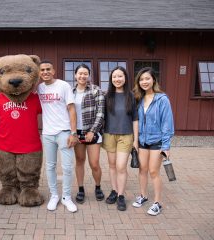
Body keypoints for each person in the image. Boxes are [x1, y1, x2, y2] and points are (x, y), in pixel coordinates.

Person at [37, 60, 79, 213]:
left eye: (48, 69)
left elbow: (71, 109)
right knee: (50, 166)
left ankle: (66, 197)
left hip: (64, 132)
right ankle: (54, 195)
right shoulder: (39, 88)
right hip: (47, 134)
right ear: (39, 72)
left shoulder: (63, 85)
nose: (45, 72)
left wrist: (73, 133)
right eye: (42, 70)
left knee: (67, 167)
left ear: (53, 71)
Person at [132, 67, 174, 216]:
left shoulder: (162, 99)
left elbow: (167, 124)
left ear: (153, 80)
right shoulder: (138, 98)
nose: (144, 81)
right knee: (142, 170)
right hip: (142, 141)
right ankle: (143, 195)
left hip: (157, 141)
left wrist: (166, 145)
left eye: (147, 78)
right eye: (141, 79)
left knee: (154, 171)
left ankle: (157, 203)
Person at [102, 66, 138, 211]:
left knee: (121, 166)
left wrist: (136, 139)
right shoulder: (106, 96)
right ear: (111, 79)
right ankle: (114, 191)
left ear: (125, 78)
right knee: (111, 165)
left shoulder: (131, 96)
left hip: (126, 135)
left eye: (120, 76)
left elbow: (135, 118)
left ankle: (121, 196)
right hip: (109, 134)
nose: (117, 79)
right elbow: (102, 117)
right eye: (114, 77)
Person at [72, 64, 105, 204]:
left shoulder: (96, 90)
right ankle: (81, 189)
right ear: (75, 75)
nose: (82, 76)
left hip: (92, 132)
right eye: (80, 73)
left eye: (85, 73)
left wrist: (93, 131)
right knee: (79, 161)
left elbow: (101, 113)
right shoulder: (70, 91)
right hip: (76, 132)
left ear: (89, 75)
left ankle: (98, 187)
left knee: (94, 163)